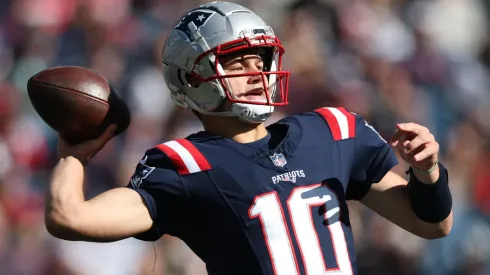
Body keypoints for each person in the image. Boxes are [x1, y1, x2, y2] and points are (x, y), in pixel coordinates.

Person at [45, 1, 453, 274]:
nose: (257, 73)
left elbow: (431, 224)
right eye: (237, 62)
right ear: (192, 77)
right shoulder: (183, 164)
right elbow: (71, 218)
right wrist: (74, 154)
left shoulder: (331, 130)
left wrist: (427, 172)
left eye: (260, 59)